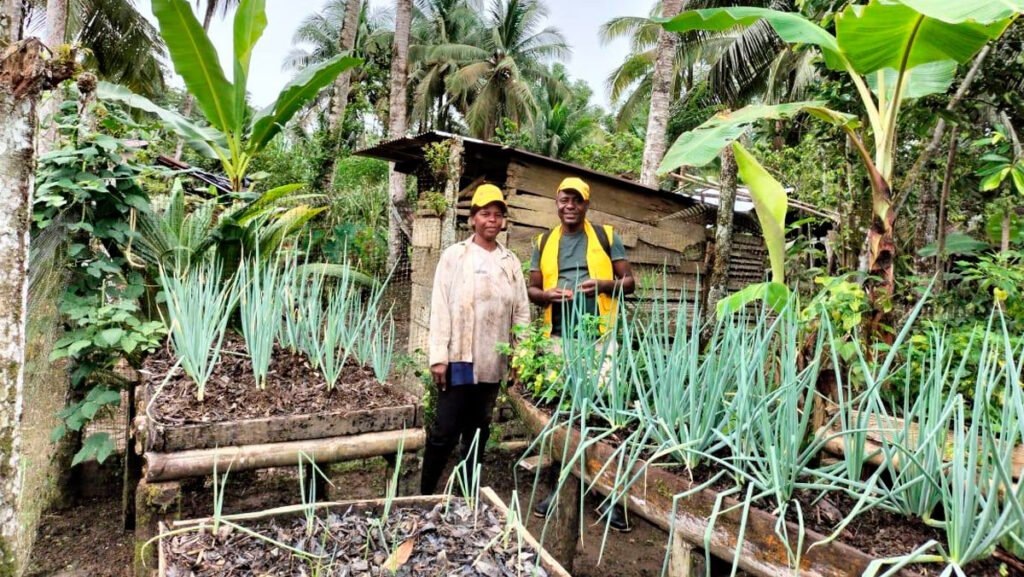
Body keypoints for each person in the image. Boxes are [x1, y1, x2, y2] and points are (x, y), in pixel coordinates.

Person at [527, 176, 636, 531]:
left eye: (577, 200)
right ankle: (559, 488)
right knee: (562, 417)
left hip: (599, 339)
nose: (570, 206)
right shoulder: (544, 242)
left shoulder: (606, 236)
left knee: (605, 418)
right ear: (557, 203)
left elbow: (629, 283)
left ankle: (610, 496)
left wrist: (603, 285)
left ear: (586, 204)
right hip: (559, 339)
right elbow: (533, 289)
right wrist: (548, 296)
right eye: (564, 199)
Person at [420, 184, 531, 495]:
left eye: (497, 215)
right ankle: (424, 493)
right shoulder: (455, 256)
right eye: (485, 214)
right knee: (445, 429)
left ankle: (466, 495)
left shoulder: (509, 261)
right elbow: (441, 306)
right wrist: (438, 357)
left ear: (503, 221)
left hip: (492, 360)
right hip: (460, 358)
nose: (492, 220)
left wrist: (520, 356)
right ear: (472, 219)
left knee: (479, 429)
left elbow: (521, 311)